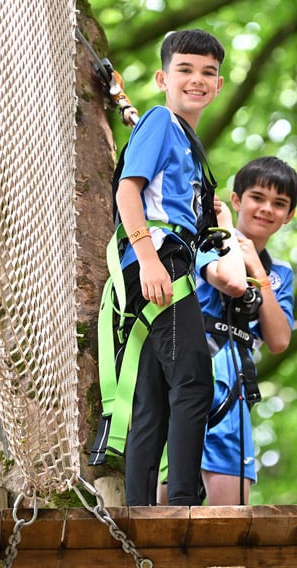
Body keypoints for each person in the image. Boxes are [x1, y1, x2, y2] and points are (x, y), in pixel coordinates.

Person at [113, 28, 247, 506]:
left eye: (208, 73)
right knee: (193, 378)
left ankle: (139, 506)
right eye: (185, 70)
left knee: (152, 395)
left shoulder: (184, 140)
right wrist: (149, 259)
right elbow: (128, 190)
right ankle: (185, 501)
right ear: (162, 77)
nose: (197, 80)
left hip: (167, 262)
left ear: (219, 83)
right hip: (159, 259)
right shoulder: (161, 122)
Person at [196, 156, 297, 505]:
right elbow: (230, 283)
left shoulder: (280, 273)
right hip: (191, 370)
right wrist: (227, 234)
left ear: (289, 216)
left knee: (232, 515)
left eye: (279, 204)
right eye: (257, 197)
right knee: (172, 501)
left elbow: (279, 339)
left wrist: (257, 266)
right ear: (237, 200)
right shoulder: (208, 240)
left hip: (235, 387)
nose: (267, 209)